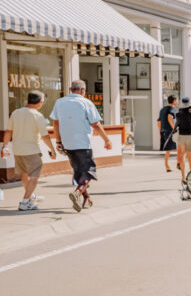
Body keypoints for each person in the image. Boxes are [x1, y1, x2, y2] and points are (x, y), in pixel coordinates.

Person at [50, 79, 112, 212]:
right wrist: (107, 140)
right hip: (83, 143)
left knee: (79, 173)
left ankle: (86, 199)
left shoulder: (59, 102)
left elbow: (56, 123)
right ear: (83, 91)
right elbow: (95, 124)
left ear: (70, 90)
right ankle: (78, 192)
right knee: (89, 172)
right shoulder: (86, 102)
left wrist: (58, 141)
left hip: (67, 144)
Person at [2, 90, 57, 211]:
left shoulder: (16, 113)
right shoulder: (37, 115)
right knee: (34, 176)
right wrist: (53, 150)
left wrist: (4, 146)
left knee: (24, 174)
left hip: (18, 150)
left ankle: (30, 196)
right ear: (40, 102)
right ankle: (25, 201)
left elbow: (8, 131)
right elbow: (45, 136)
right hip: (31, 150)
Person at [157, 95, 178, 172]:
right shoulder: (173, 109)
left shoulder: (162, 109)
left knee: (168, 150)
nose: (177, 102)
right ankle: (178, 163)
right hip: (170, 132)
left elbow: (158, 122)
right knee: (178, 148)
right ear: (174, 101)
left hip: (164, 131)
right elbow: (170, 117)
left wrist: (161, 132)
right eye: (177, 100)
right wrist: (175, 129)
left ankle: (167, 166)